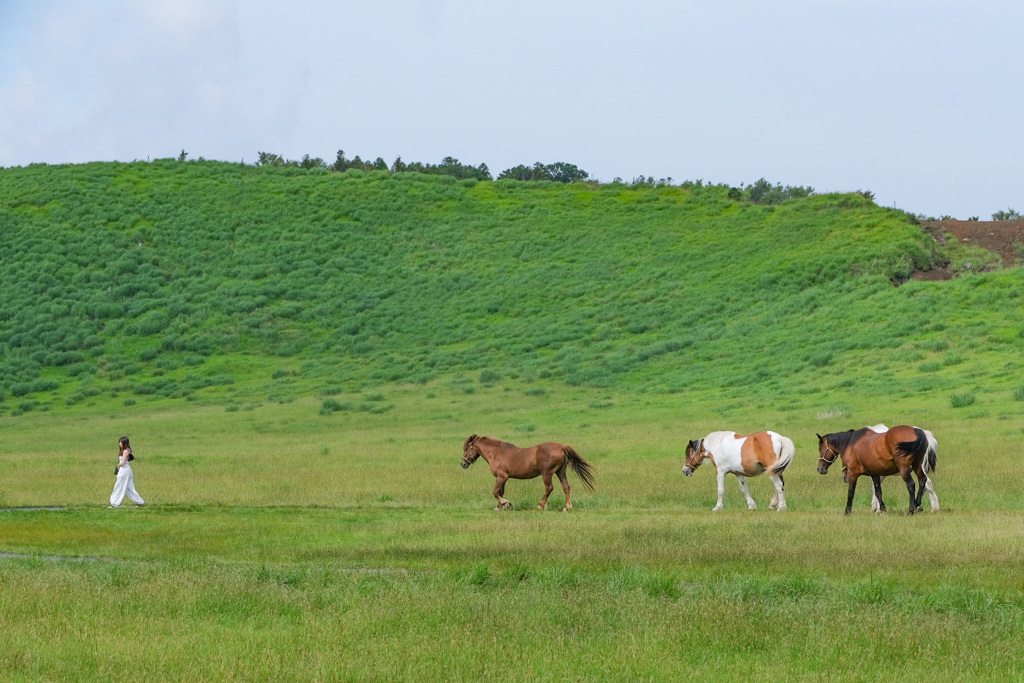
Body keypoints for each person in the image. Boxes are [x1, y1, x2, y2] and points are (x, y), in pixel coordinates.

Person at [109, 436, 145, 507]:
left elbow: (122, 463)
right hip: (126, 470)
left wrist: (117, 467)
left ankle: (115, 503)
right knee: (130, 487)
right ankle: (140, 502)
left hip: (124, 470)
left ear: (124, 443)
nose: (119, 443)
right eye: (119, 442)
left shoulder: (125, 451)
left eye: (121, 442)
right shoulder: (126, 450)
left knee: (119, 486)